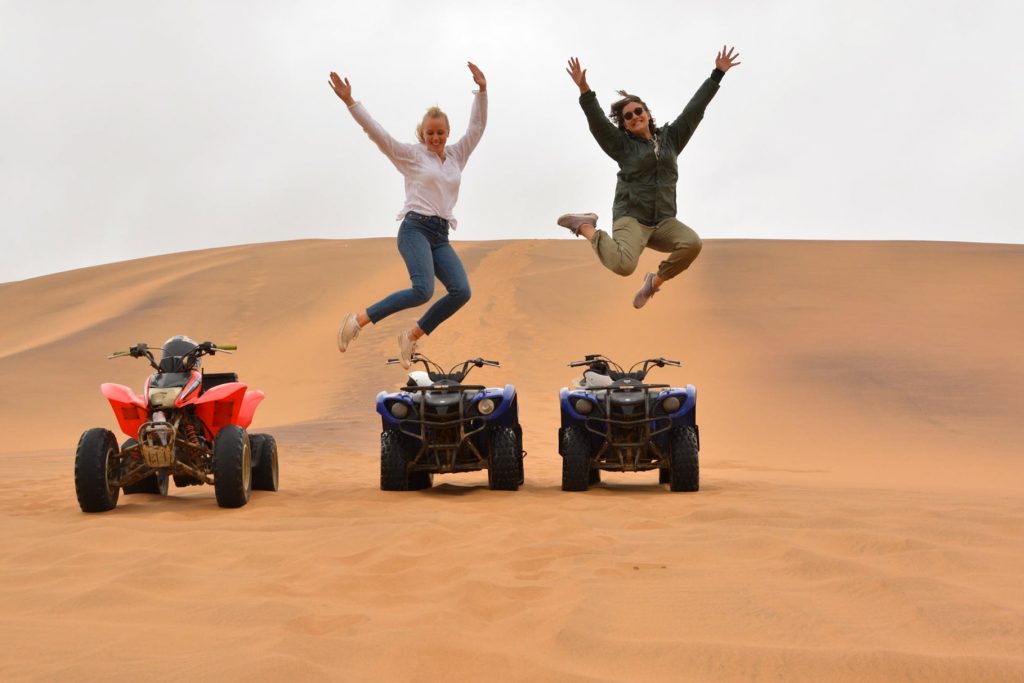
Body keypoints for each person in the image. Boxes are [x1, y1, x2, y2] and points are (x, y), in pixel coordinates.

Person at [329, 63, 488, 367]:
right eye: (430, 132)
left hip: (441, 236)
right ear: (422, 133)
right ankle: (358, 321)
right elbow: (379, 135)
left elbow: (477, 128)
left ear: (447, 133)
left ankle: (411, 336)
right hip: (415, 229)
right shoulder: (412, 156)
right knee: (422, 290)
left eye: (440, 132)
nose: (435, 137)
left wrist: (482, 92)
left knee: (461, 291)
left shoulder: (458, 154)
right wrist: (351, 102)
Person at [558, 47, 740, 309]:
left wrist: (717, 75)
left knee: (692, 244)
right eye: (628, 116)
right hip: (632, 217)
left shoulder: (671, 139)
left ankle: (654, 283)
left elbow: (694, 110)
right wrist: (585, 90)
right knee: (623, 265)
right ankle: (585, 227)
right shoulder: (623, 146)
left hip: (663, 220)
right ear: (624, 124)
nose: (634, 117)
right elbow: (598, 123)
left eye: (638, 111)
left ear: (647, 113)